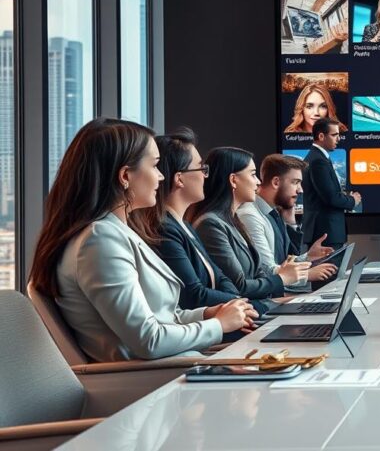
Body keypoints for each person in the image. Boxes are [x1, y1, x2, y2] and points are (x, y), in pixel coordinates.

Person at [28, 118, 255, 362]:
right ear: (125, 175)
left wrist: (207, 314)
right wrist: (218, 325)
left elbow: (161, 317)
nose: (161, 176)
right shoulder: (99, 240)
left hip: (168, 368)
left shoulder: (114, 232)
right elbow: (149, 340)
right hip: (151, 377)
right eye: (155, 166)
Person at [130, 128, 272, 317]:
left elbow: (220, 277)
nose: (206, 175)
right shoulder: (165, 229)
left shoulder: (185, 226)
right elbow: (193, 294)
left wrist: (240, 302)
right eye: (201, 168)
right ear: (179, 179)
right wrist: (246, 305)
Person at [189, 147, 310, 301]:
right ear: (233, 180)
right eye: (253, 175)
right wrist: (282, 278)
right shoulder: (211, 224)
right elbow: (239, 287)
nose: (258, 182)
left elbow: (258, 273)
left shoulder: (233, 219)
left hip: (258, 305)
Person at [237, 154, 336, 292]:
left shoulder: (273, 213)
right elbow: (267, 271)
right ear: (276, 182)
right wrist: (307, 274)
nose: (300, 190)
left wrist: (307, 257)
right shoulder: (250, 216)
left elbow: (283, 265)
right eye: (295, 182)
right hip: (268, 299)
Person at [302, 118, 362, 250]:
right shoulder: (318, 161)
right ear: (321, 136)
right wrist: (352, 200)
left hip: (326, 233)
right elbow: (331, 197)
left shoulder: (318, 158)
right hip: (325, 234)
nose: (339, 139)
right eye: (334, 135)